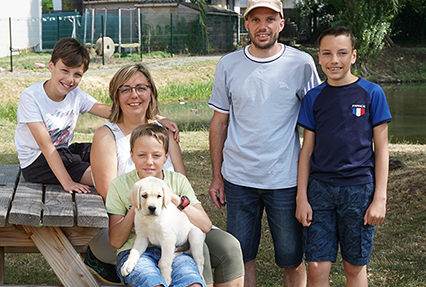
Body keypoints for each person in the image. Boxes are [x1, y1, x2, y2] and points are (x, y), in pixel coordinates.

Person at [85, 64, 245, 286]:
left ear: (151, 92)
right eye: (126, 89)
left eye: (141, 88)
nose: (134, 95)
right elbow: (111, 195)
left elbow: (181, 184)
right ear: (116, 95)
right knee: (202, 252)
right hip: (132, 228)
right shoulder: (106, 135)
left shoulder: (164, 131)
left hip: (175, 221)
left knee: (228, 247)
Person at [207, 0, 321, 286]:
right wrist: (217, 176)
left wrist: (310, 182)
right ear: (246, 24)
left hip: (285, 179)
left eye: (270, 19)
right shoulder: (228, 64)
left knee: (292, 259)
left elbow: (316, 124)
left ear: (281, 23)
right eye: (255, 19)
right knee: (240, 258)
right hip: (238, 180)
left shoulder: (301, 63)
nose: (263, 26)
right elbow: (219, 122)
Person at [15, 37, 177, 193]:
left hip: (64, 151)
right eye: (64, 71)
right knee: (101, 174)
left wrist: (155, 118)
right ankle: (144, 185)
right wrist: (68, 182)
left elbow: (111, 111)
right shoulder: (31, 97)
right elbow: (46, 146)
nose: (70, 79)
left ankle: (152, 173)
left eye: (77, 74)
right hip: (37, 162)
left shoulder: (75, 94)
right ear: (51, 66)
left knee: (106, 151)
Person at [295, 26, 391, 287]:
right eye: (327, 53)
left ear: (354, 56)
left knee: (354, 267)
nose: (334, 60)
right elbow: (307, 151)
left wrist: (379, 198)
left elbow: (381, 149)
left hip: (359, 190)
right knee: (315, 266)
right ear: (319, 57)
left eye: (342, 53)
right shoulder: (314, 97)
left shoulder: (372, 93)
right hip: (320, 191)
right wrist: (301, 197)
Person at [107, 124, 211, 287]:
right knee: (154, 284)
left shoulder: (178, 181)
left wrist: (174, 199)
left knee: (193, 284)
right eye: (142, 155)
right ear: (132, 156)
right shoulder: (119, 185)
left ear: (166, 157)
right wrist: (137, 204)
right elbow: (116, 241)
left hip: (176, 251)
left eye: (156, 155)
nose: (149, 162)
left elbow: (205, 225)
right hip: (134, 252)